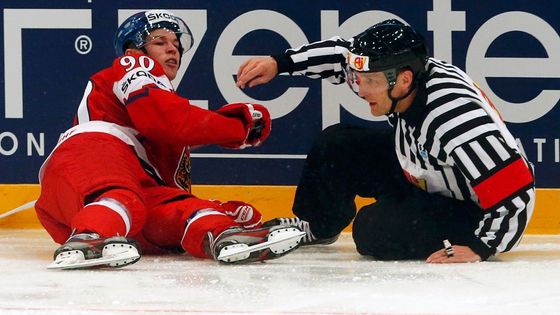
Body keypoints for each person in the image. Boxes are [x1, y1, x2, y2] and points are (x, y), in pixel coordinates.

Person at [236, 19, 535, 263]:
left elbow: (517, 189)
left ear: (404, 80)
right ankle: (318, 226)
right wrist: (280, 63)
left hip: (466, 210)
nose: (360, 89)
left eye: (370, 82)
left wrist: (481, 246)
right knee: (337, 144)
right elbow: (342, 55)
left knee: (372, 230)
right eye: (358, 79)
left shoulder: (455, 117)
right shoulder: (403, 78)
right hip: (424, 171)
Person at [35, 10, 304, 270]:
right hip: (91, 161)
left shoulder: (149, 123)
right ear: (133, 50)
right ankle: (89, 237)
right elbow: (167, 121)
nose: (173, 49)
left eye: (176, 44)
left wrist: (222, 213)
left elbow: (167, 185)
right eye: (160, 42)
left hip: (100, 194)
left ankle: (223, 236)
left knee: (178, 211)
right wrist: (236, 127)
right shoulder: (134, 65)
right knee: (122, 197)